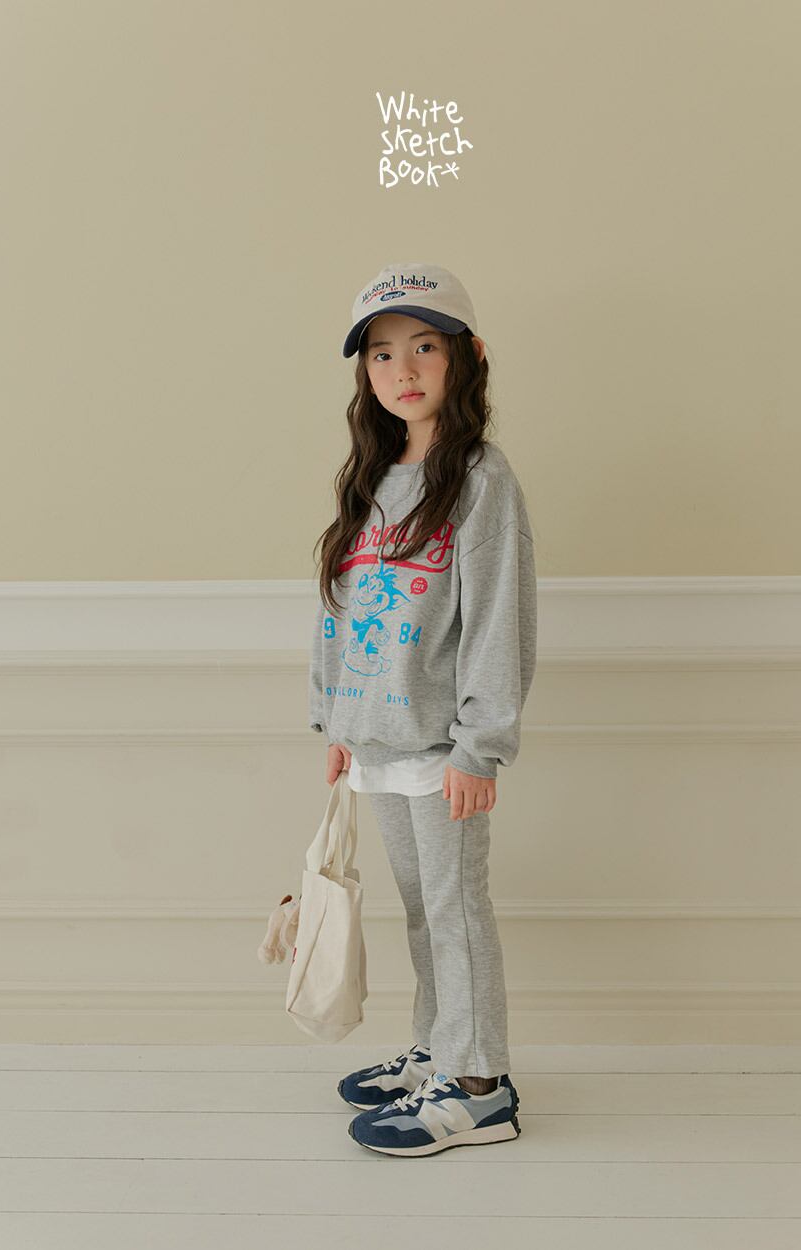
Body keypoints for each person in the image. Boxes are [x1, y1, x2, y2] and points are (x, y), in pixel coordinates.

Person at [308, 262, 537, 1156]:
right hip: (378, 739)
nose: (402, 370)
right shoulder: (371, 476)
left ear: (465, 356)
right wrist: (334, 721)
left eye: (424, 347)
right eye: (381, 353)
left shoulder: (480, 478)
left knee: (455, 907)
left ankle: (479, 1085)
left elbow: (498, 620)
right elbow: (339, 607)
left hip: (444, 747)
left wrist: (481, 745)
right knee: (419, 906)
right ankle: (442, 1047)